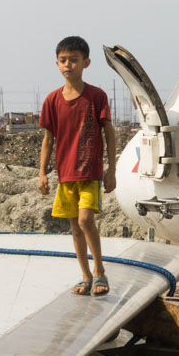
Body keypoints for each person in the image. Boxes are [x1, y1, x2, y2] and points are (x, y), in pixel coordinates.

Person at [38, 36, 117, 296]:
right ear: (57, 64)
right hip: (65, 174)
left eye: (74, 60)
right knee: (74, 227)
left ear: (86, 63)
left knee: (85, 220)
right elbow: (48, 139)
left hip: (90, 172)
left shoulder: (96, 97)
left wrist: (111, 170)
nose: (68, 65)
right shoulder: (52, 100)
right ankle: (84, 275)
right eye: (63, 60)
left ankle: (100, 271)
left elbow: (109, 133)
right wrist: (42, 173)